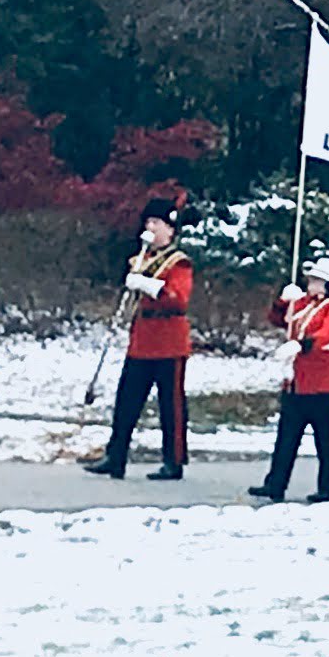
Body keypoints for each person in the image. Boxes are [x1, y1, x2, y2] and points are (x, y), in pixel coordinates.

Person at [87, 196, 196, 481]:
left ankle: (174, 460)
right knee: (126, 400)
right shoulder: (141, 259)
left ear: (170, 229)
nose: (150, 227)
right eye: (148, 222)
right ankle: (116, 455)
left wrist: (148, 285)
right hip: (142, 339)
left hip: (169, 341)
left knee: (170, 405)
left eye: (156, 222)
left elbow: (178, 299)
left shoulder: (178, 262)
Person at [250, 258, 329, 503]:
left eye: (316, 280)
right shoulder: (304, 304)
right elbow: (279, 321)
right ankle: (275, 484)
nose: (311, 283)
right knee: (286, 436)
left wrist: (302, 344)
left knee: (325, 441)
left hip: (327, 382)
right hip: (298, 381)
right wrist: (283, 302)